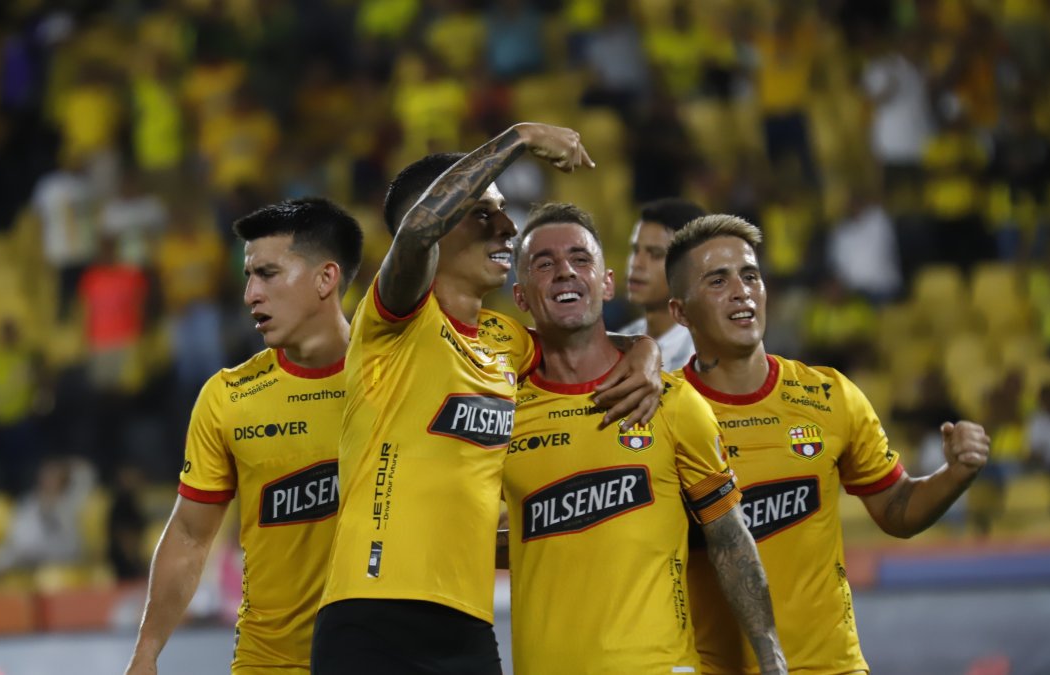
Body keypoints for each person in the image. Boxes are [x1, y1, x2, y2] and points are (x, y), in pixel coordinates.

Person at [313, 123, 663, 674]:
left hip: (468, 625)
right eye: (482, 213)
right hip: (373, 611)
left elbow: (588, 342)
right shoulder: (394, 320)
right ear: (439, 219)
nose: (507, 227)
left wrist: (646, 351)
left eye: (503, 212)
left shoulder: (509, 341)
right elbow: (416, 233)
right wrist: (519, 137)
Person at [664, 214, 991, 674]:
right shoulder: (661, 414)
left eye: (751, 275)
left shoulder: (829, 394)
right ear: (680, 312)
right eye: (718, 280)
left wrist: (955, 474)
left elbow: (896, 509)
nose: (742, 291)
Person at [503, 203, 786, 674]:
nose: (565, 271)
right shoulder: (503, 415)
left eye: (580, 259)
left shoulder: (675, 403)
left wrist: (772, 660)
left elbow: (730, 539)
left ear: (606, 283)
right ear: (521, 297)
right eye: (545, 264)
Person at [125, 197, 364, 675]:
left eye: (268, 274)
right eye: (248, 276)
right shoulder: (228, 397)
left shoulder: (394, 374)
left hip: (381, 659)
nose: (250, 294)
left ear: (326, 278)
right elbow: (190, 534)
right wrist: (146, 653)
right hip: (267, 663)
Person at [620, 198, 707, 371]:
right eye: (635, 250)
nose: (636, 263)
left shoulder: (704, 358)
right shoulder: (621, 340)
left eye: (655, 254)